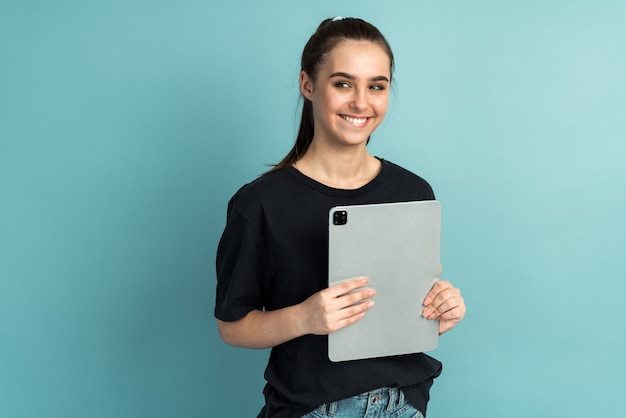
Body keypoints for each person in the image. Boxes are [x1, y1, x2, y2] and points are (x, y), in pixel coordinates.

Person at [215, 17, 466, 418]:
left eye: (377, 86)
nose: (361, 102)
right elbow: (232, 325)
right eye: (343, 83)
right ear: (308, 85)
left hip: (404, 404)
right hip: (313, 408)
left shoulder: (413, 192)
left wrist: (440, 308)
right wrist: (304, 317)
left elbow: (408, 307)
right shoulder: (259, 203)